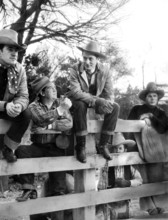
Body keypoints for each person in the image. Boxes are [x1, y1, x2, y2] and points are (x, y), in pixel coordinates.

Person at [15, 76, 72, 206]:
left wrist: (50, 126)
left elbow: (69, 123)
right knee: (22, 150)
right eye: (51, 88)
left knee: (59, 188)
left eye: (55, 88)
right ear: (42, 93)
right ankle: (29, 188)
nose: (55, 90)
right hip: (39, 146)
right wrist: (60, 111)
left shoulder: (59, 103)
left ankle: (58, 205)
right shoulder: (33, 106)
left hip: (56, 146)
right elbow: (41, 118)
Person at [67, 40, 120, 163]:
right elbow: (76, 92)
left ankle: (103, 145)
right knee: (80, 105)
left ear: (97, 59)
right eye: (84, 58)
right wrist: (97, 101)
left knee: (115, 107)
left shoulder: (105, 71)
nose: (87, 62)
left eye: (90, 59)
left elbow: (109, 93)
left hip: (96, 103)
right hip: (79, 100)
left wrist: (106, 103)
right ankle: (80, 146)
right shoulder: (74, 69)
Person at [128, 82, 168, 215]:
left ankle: (159, 205)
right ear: (145, 97)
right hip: (139, 146)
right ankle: (149, 206)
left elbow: (163, 128)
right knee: (144, 176)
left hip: (156, 149)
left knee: (156, 176)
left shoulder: (161, 112)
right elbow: (129, 126)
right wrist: (140, 121)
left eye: (154, 96)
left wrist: (151, 117)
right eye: (150, 96)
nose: (152, 98)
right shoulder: (136, 109)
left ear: (157, 98)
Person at [0, 29, 31, 163]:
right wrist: (5, 106)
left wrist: (18, 105)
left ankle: (8, 148)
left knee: (26, 114)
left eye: (16, 50)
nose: (14, 54)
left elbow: (24, 95)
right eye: (10, 49)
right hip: (3, 107)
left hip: (7, 110)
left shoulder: (19, 69)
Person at [97, 133, 142, 219]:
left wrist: (128, 183)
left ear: (125, 150)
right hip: (110, 203)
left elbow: (139, 180)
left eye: (120, 148)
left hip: (125, 202)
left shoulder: (129, 166)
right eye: (115, 149)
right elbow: (101, 187)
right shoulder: (107, 168)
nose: (117, 151)